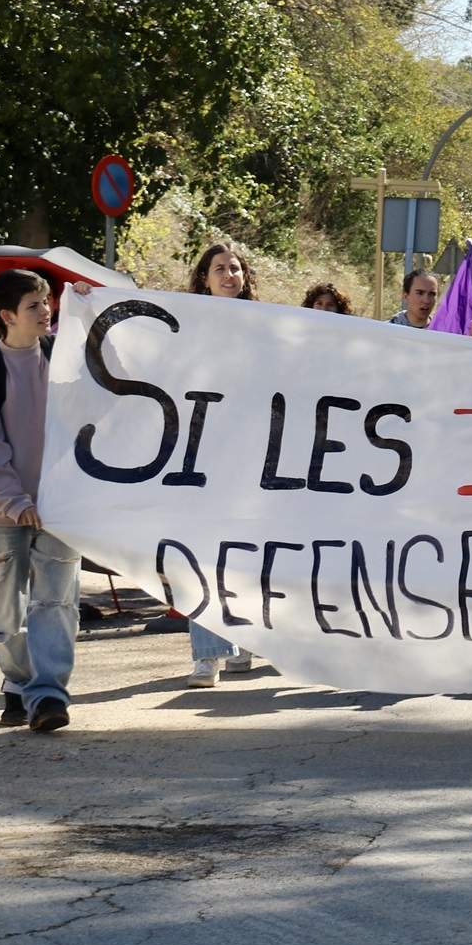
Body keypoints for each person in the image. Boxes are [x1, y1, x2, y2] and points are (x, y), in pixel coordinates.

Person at [0, 270, 81, 733]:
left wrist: (93, 305)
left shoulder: (64, 356)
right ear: (8, 316)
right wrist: (13, 501)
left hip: (60, 507)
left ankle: (49, 694)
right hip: (0, 511)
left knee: (56, 604)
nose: (46, 310)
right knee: (9, 611)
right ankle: (18, 684)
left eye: (48, 301)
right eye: (34, 305)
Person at [186, 244, 262, 686]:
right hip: (200, 450)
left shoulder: (266, 326)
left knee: (246, 553)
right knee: (201, 551)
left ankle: (246, 639)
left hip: (253, 455)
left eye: (235, 268)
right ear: (204, 279)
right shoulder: (188, 323)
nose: (229, 274)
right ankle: (207, 655)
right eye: (219, 269)